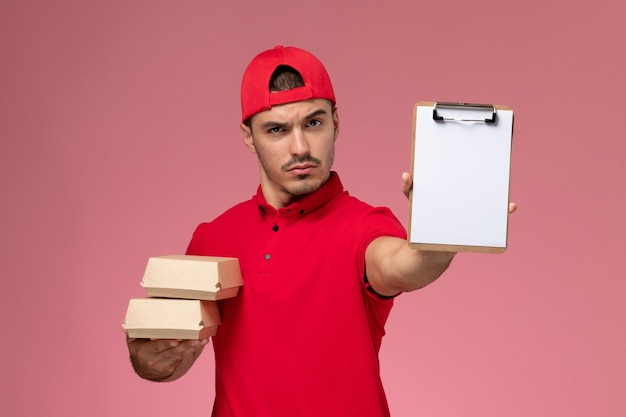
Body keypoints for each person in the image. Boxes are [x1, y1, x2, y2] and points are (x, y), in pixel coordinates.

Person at [127, 45, 516, 416]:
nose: (300, 147)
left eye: (313, 123)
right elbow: (167, 360)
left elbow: (404, 265)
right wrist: (152, 357)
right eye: (277, 130)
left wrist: (441, 233)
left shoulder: (365, 225)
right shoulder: (212, 238)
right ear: (249, 136)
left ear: (336, 123)